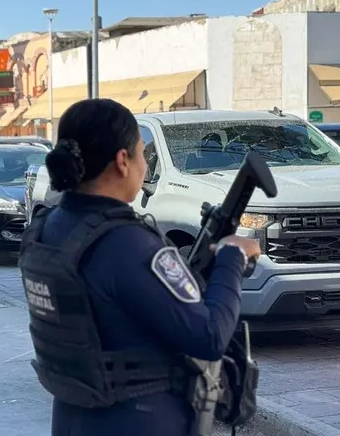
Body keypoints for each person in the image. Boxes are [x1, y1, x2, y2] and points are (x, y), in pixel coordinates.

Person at [18, 99, 261, 436]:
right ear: (122, 161)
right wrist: (232, 258)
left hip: (74, 419)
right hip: (139, 419)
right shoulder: (125, 244)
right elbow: (208, 337)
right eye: (142, 154)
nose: (145, 166)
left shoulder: (48, 228)